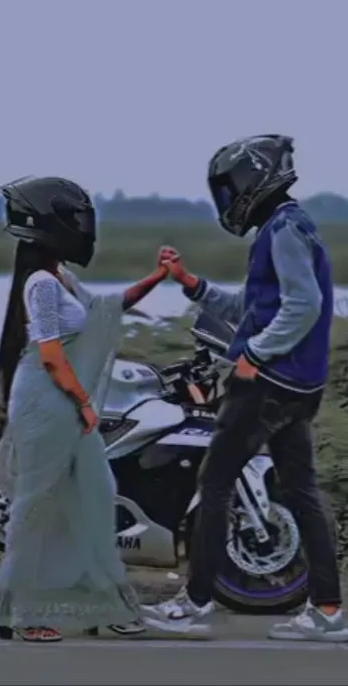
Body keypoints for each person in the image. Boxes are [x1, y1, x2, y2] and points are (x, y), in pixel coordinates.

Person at [142, 134, 348, 642]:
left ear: (253, 180)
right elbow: (255, 310)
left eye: (230, 189)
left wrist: (253, 358)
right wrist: (192, 285)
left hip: (267, 385)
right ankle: (327, 609)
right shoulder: (288, 227)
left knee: (214, 484)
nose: (229, 201)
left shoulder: (283, 231)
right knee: (301, 491)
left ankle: (193, 602)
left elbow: (302, 306)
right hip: (297, 386)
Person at [0, 175, 169, 642]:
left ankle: (103, 605)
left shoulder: (61, 278)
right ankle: (21, 613)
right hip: (47, 404)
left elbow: (106, 308)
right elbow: (50, 354)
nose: (83, 228)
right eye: (73, 219)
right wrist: (85, 403)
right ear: (47, 224)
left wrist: (157, 277)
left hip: (61, 401)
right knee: (37, 508)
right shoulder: (40, 286)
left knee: (93, 496)